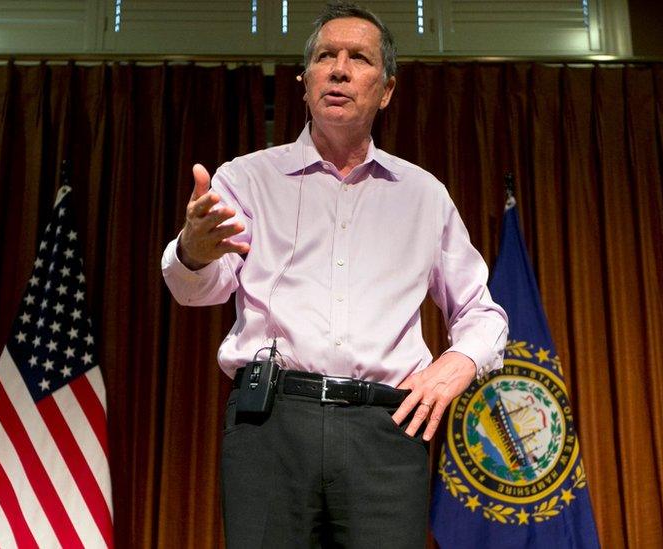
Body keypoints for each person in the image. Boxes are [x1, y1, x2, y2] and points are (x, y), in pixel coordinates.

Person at [161, 2, 507, 546]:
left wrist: (459, 362)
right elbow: (195, 290)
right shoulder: (247, 178)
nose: (340, 69)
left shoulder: (423, 195)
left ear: (386, 90)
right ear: (305, 83)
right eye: (326, 56)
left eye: (358, 58)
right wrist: (194, 250)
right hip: (271, 424)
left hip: (386, 432)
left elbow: (479, 312)